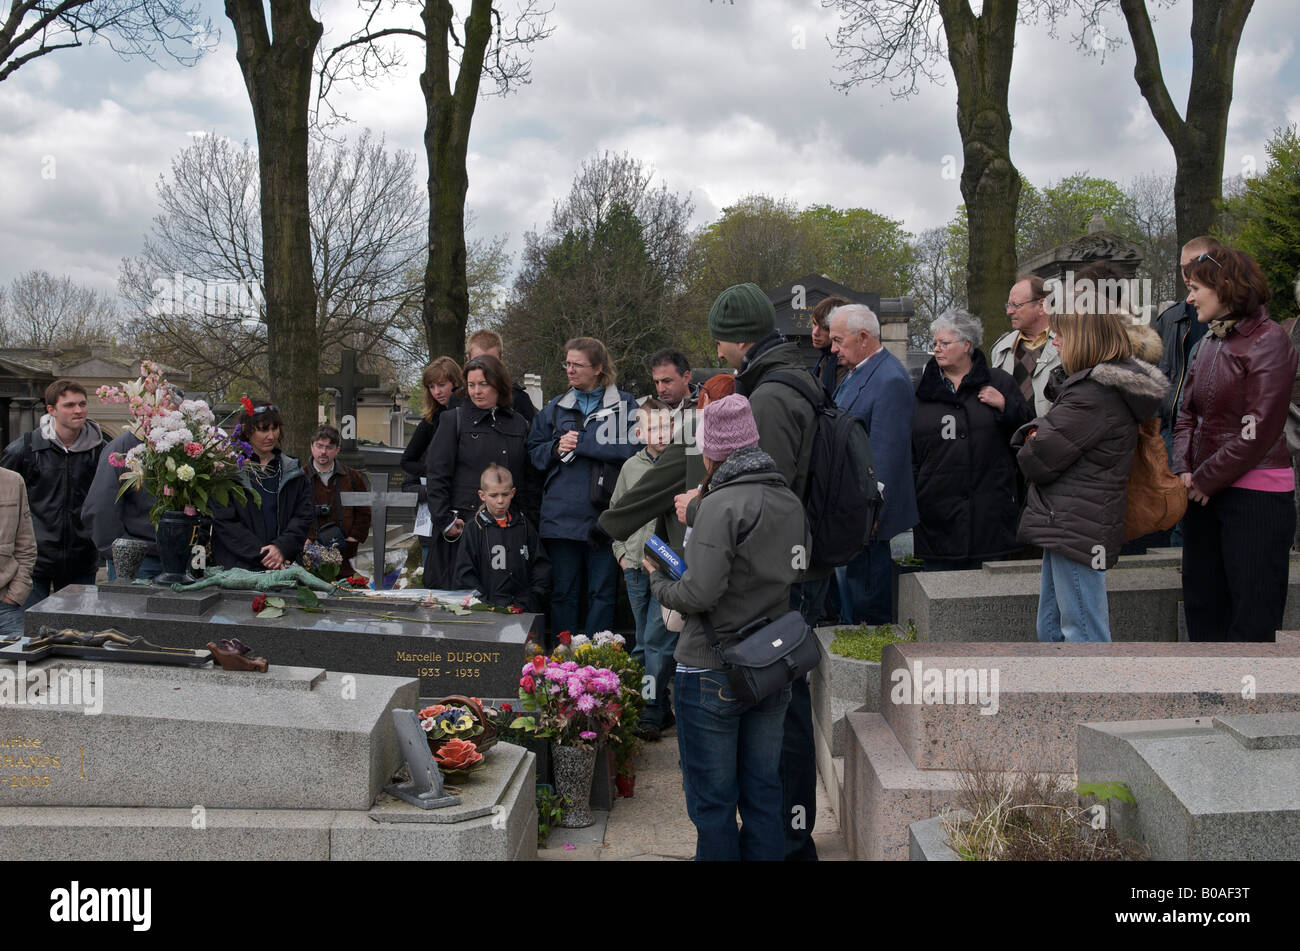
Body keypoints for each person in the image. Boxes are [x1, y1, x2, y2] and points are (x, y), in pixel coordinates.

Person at [644, 394, 808, 861]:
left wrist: (658, 579)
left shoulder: (720, 504)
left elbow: (698, 595)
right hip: (772, 665)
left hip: (711, 668)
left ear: (711, 450)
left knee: (713, 802)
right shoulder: (787, 500)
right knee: (762, 794)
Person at [701, 282, 822, 862]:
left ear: (738, 336)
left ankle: (790, 846)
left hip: (768, 597)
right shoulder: (784, 376)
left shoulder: (768, 397)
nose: (718, 352)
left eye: (720, 340)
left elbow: (758, 503)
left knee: (777, 730)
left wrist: (704, 510)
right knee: (778, 722)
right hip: (786, 579)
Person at [1014, 310, 1168, 642]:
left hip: (1076, 523)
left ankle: (1094, 694)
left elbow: (1036, 456)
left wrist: (1029, 437)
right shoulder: (1093, 389)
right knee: (1054, 629)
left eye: (1062, 337)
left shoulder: (1093, 394)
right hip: (1071, 519)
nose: (1054, 342)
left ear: (1085, 342)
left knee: (1084, 632)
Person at [1173, 247, 1296, 642]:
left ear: (1224, 286)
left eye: (1195, 288)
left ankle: (1249, 700)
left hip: (1254, 497)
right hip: (1204, 493)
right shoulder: (1210, 341)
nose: (1189, 298)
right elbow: (1186, 413)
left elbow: (1259, 428)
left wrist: (1206, 478)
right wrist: (1184, 469)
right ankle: (1211, 692)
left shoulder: (1269, 340)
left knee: (1252, 612)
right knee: (1203, 604)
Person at [527, 337, 637, 640]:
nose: (570, 370)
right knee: (564, 593)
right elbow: (533, 455)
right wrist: (554, 447)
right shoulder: (554, 409)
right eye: (567, 363)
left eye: (577, 365)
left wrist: (586, 442)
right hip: (561, 516)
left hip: (605, 516)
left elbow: (634, 447)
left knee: (602, 593)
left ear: (598, 368)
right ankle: (563, 663)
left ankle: (598, 664)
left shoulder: (624, 404)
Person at [912, 309, 1032, 570]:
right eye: (935, 344)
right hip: (937, 516)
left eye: (945, 343)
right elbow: (910, 450)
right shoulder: (920, 391)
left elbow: (1028, 433)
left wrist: (1005, 406)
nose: (937, 349)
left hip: (990, 514)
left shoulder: (1000, 382)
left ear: (966, 345)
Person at [827, 303, 918, 622]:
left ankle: (871, 664)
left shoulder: (889, 379)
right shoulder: (859, 372)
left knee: (866, 600)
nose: (833, 348)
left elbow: (885, 454)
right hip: (850, 510)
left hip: (866, 516)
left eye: (838, 340)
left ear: (863, 337)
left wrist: (871, 512)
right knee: (851, 595)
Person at [427, 354, 536, 590]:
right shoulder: (452, 421)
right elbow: (437, 475)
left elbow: (529, 480)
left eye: (483, 384)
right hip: (463, 529)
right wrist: (444, 520)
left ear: (499, 384)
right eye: (471, 385)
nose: (477, 391)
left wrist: (529, 524)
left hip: (509, 531)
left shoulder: (519, 424)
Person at [608, 397, 677, 741]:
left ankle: (649, 712)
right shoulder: (631, 469)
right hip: (634, 566)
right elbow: (616, 511)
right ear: (640, 431)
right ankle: (657, 707)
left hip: (664, 569)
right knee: (643, 642)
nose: (661, 433)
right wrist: (621, 553)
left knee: (656, 639)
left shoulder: (681, 464)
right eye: (653, 428)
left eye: (666, 426)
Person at [1, 380, 105, 605]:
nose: (78, 410)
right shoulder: (25, 449)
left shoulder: (100, 451)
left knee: (76, 635)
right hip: (33, 564)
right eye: (69, 405)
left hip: (81, 560)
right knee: (31, 635)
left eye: (82, 404)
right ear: (51, 410)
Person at [1153, 237, 1221, 546]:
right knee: (1177, 515)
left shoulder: (1235, 323)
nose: (1185, 274)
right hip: (1173, 430)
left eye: (1194, 266)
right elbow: (1155, 376)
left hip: (1216, 436)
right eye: (1182, 268)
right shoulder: (1171, 318)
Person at [210, 400, 313, 572]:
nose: (271, 436)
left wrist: (281, 548)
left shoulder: (292, 471)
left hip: (282, 565)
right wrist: (262, 554)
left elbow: (302, 517)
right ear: (247, 431)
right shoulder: (229, 471)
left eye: (275, 428)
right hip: (238, 568)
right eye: (264, 429)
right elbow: (225, 522)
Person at [453, 464, 551, 612]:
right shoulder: (474, 528)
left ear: (513, 493)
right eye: (493, 495)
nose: (500, 501)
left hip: (523, 608)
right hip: (488, 609)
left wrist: (533, 597)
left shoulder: (524, 525)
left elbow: (540, 565)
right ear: (482, 495)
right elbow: (465, 574)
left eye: (505, 494)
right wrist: (483, 603)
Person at [401, 358, 464, 587]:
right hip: (435, 509)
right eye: (432, 386)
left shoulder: (466, 416)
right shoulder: (430, 421)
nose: (437, 391)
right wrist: (435, 472)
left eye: (442, 384)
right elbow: (407, 461)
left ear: (456, 383)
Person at [82, 427, 163, 581]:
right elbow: (101, 506)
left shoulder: (184, 446)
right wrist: (122, 552)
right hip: (138, 560)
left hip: (180, 560)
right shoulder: (122, 448)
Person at [991, 274, 1063, 417]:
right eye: (1008, 305)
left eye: (1016, 305)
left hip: (1053, 435)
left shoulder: (1067, 343)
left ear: (1042, 305)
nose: (1009, 312)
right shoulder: (1001, 348)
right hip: (1011, 437)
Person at [305, 424, 371, 577]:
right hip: (310, 551)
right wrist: (303, 539)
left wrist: (353, 538)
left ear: (337, 450)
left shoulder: (353, 477)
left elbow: (364, 512)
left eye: (329, 447)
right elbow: (291, 512)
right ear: (311, 447)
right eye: (319, 446)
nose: (323, 452)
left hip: (345, 553)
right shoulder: (300, 478)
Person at [466, 329, 537, 425]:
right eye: (478, 361)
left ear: (501, 360)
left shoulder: (518, 399)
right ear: (468, 359)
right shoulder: (458, 399)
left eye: (491, 362)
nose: (484, 368)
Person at [0, 467, 36, 637]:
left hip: (4, 605)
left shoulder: (13, 481)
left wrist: (13, 596)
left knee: (28, 654)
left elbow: (26, 547)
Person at [810, 295, 851, 397]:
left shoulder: (847, 365)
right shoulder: (824, 359)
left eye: (824, 328)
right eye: (814, 324)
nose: (815, 332)